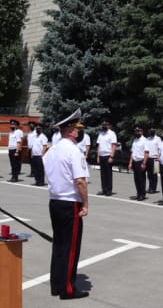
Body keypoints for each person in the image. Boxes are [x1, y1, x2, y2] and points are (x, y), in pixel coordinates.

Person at [43, 108, 89, 300]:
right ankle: (67, 289)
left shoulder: (52, 150)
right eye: (76, 129)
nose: (79, 132)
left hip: (55, 201)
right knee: (70, 248)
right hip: (70, 203)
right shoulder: (73, 151)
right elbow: (80, 181)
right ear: (69, 130)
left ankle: (57, 284)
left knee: (59, 245)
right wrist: (85, 203)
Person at [96, 118, 117, 196]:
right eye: (103, 125)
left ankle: (109, 190)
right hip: (101, 155)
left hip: (108, 155)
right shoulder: (101, 133)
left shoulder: (112, 133)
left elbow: (114, 145)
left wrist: (112, 156)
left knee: (108, 174)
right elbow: (98, 145)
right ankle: (104, 189)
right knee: (102, 174)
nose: (104, 126)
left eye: (105, 125)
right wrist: (98, 156)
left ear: (109, 125)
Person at [128, 125, 149, 201]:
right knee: (136, 179)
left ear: (142, 132)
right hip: (135, 161)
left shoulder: (145, 140)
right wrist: (130, 163)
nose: (137, 132)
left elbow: (146, 152)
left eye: (139, 131)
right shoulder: (135, 140)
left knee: (141, 179)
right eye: (136, 131)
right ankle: (138, 193)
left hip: (141, 161)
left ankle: (142, 194)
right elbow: (132, 152)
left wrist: (144, 163)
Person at [145, 125, 161, 194]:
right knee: (149, 174)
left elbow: (160, 149)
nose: (151, 131)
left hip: (155, 158)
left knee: (154, 174)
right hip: (148, 158)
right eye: (150, 130)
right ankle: (150, 187)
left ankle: (153, 188)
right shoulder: (147, 139)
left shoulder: (158, 139)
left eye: (153, 129)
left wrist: (158, 157)